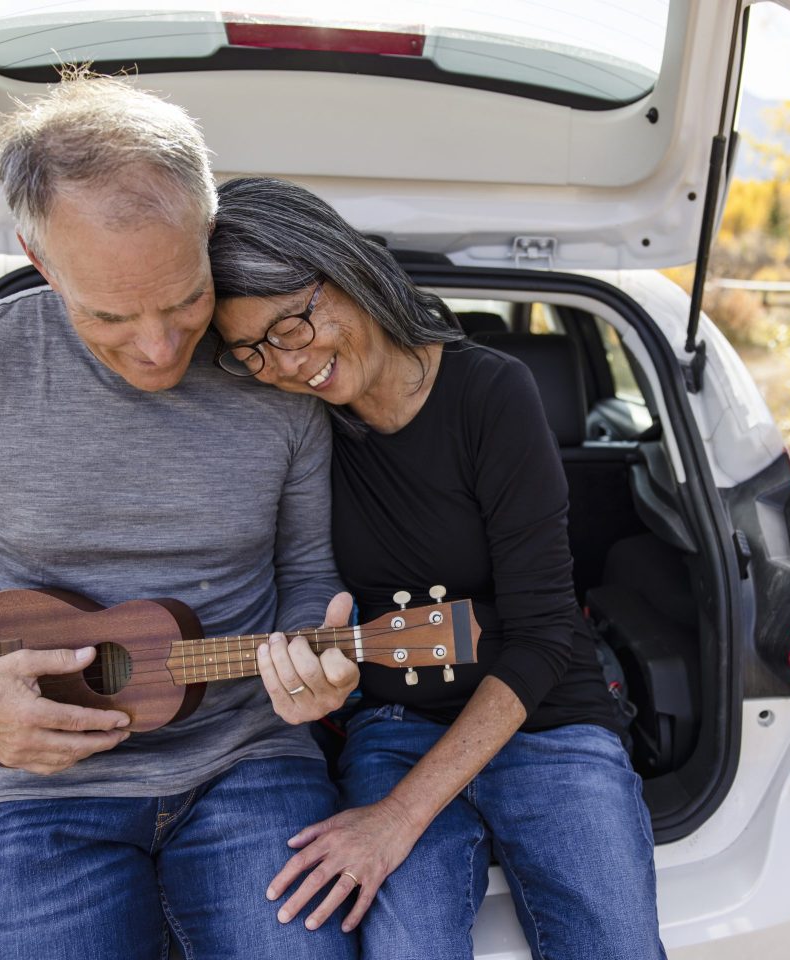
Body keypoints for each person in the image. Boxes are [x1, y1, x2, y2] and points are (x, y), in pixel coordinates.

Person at [0, 79, 360, 960]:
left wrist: (315, 669)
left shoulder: (275, 379)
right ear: (39, 257)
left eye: (184, 301)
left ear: (207, 230)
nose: (159, 347)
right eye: (109, 315)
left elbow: (308, 578)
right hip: (39, 794)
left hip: (249, 768)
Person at [206, 176, 666, 960]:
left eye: (289, 325)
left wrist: (397, 818)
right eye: (251, 351)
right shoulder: (296, 427)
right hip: (394, 723)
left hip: (547, 715)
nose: (285, 364)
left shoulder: (490, 393)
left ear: (342, 269)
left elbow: (546, 633)